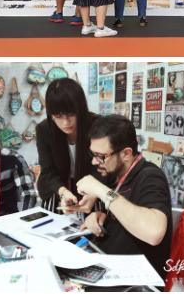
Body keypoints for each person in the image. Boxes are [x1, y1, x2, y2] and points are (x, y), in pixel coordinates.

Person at [74, 116, 172, 277]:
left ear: (126, 153)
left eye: (101, 156)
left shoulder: (151, 177)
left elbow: (154, 232)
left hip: (136, 281)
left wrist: (101, 190)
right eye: (93, 154)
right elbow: (128, 212)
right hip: (107, 263)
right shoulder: (115, 174)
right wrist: (100, 217)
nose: (93, 162)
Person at [36, 78, 99, 211]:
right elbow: (48, 171)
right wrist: (63, 192)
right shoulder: (44, 130)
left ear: (80, 109)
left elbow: (103, 168)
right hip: (59, 191)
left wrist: (94, 193)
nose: (65, 122)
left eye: (71, 114)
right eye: (58, 116)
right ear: (51, 114)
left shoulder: (97, 126)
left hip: (94, 190)